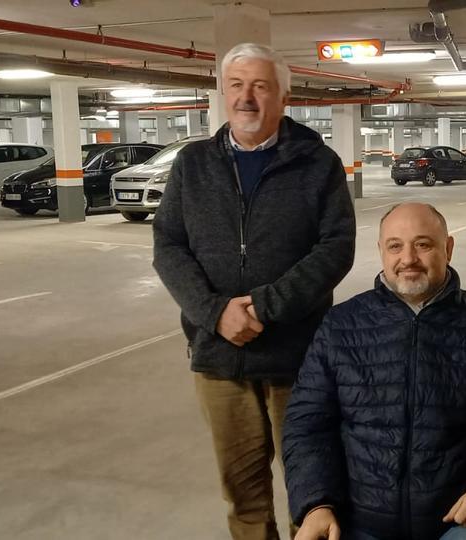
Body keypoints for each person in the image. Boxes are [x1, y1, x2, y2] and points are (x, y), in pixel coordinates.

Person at [152, 42, 356, 540]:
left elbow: (336, 247)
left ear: (283, 97)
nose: (247, 97)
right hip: (219, 360)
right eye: (237, 86)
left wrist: (264, 306)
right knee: (242, 496)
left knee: (313, 492)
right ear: (223, 94)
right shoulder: (193, 164)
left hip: (298, 361)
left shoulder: (316, 163)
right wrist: (216, 313)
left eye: (261, 86)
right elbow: (168, 245)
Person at [282, 203, 466, 540]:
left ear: (449, 249)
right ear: (381, 251)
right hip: (360, 521)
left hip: (461, 522)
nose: (408, 258)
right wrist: (316, 505)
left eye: (423, 244)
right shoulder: (341, 327)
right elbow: (306, 426)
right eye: (395, 246)